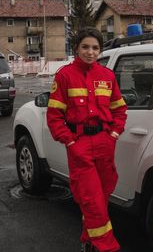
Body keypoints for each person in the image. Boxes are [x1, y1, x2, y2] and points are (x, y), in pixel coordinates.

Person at [46, 27, 127, 252]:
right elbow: (54, 116)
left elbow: (120, 110)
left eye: (95, 48)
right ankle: (107, 247)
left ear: (100, 51)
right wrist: (70, 142)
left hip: (104, 143)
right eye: (85, 47)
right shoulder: (65, 75)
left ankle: (89, 241)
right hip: (80, 144)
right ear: (76, 48)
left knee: (100, 197)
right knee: (92, 200)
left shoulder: (108, 76)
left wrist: (113, 135)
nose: (90, 52)